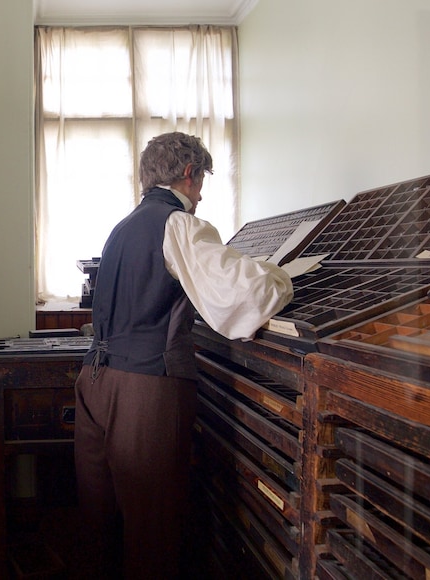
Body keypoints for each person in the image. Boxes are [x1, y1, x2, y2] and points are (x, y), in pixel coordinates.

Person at [73, 132, 293, 579]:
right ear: (190, 175)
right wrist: (281, 275)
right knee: (152, 531)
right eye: (202, 180)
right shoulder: (178, 224)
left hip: (94, 384)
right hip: (147, 390)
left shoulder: (122, 228)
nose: (201, 193)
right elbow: (246, 293)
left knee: (103, 525)